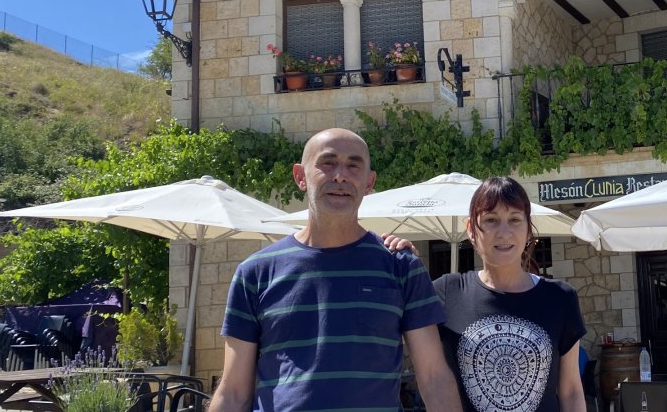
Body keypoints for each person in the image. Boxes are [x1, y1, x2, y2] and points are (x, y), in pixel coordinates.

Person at [210, 128, 463, 412]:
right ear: (300, 177)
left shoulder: (401, 266)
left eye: (353, 165)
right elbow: (232, 392)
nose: (340, 175)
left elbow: (434, 379)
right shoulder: (255, 273)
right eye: (327, 163)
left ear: (369, 182)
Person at [384, 176, 587, 412]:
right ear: (471, 229)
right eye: (491, 220)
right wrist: (402, 264)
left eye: (515, 220)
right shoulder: (445, 292)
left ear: (528, 229)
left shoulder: (561, 298)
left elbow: (571, 390)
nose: (504, 232)